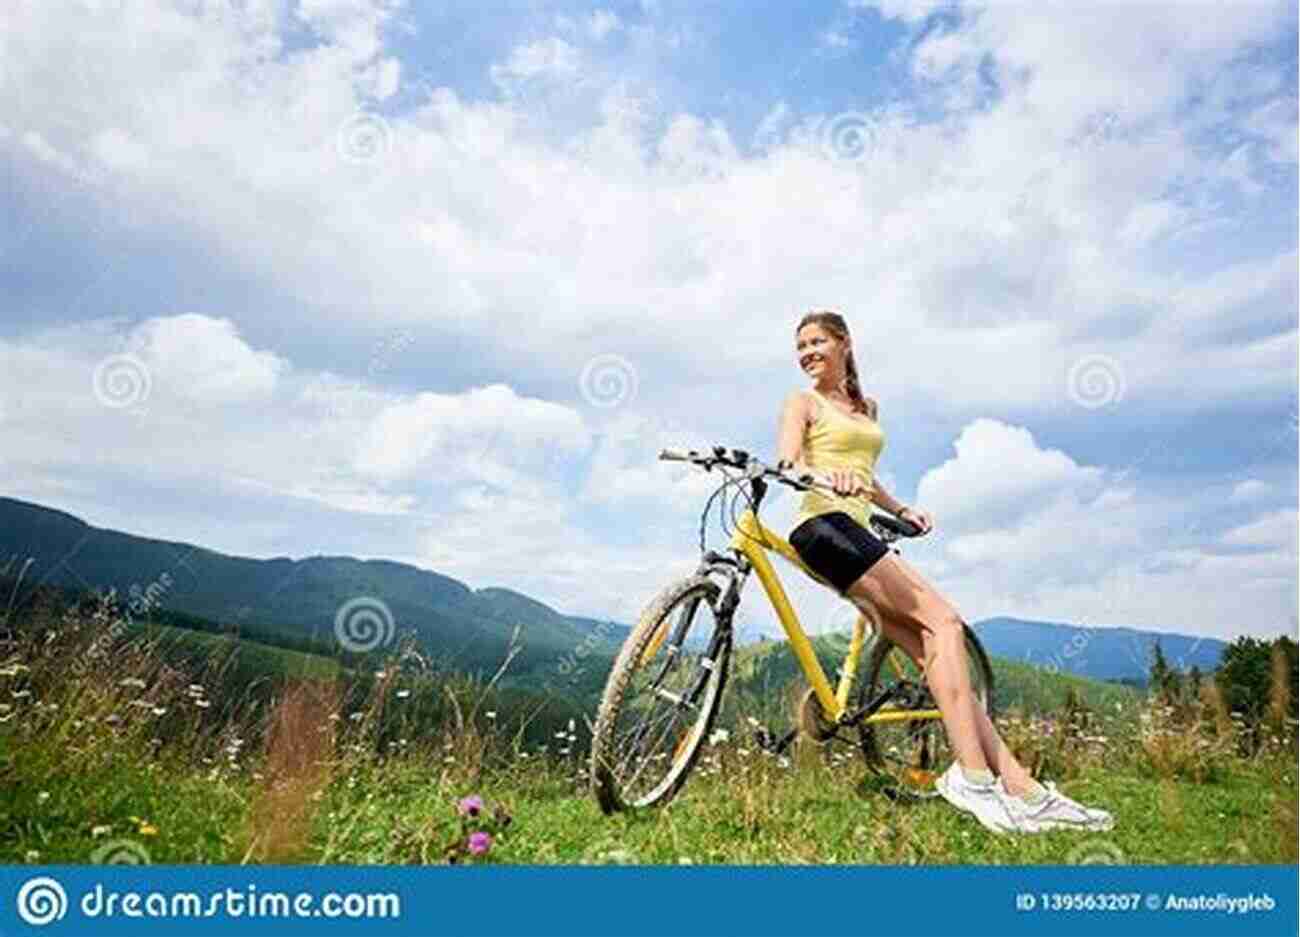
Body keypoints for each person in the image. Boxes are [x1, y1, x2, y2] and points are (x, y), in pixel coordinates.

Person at [775, 309, 1113, 835]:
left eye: (816, 341)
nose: (806, 352)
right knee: (945, 621)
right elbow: (789, 463)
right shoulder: (802, 402)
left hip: (857, 526)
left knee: (935, 655)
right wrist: (825, 474)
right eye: (800, 346)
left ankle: (1025, 790)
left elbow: (866, 474)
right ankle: (972, 781)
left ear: (844, 343)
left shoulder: (866, 406)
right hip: (824, 527)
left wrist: (899, 507)